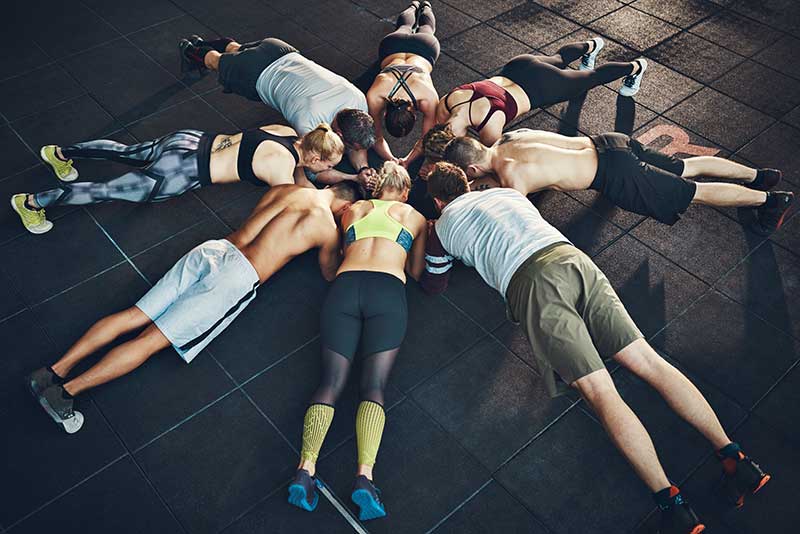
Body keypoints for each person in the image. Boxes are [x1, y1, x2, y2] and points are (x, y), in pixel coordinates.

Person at [420, 162, 771, 534]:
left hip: (532, 284)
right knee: (649, 362)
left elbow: (433, 284)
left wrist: (426, 236)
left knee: (601, 393)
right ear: (469, 183)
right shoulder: (505, 193)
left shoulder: (442, 227)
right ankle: (736, 459)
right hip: (574, 260)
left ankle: (674, 507)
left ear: (439, 201)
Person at [25, 182, 365, 433]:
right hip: (236, 278)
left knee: (133, 316)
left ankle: (53, 372)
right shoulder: (327, 227)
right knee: (148, 342)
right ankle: (65, 394)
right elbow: (331, 273)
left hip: (214, 249)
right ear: (345, 206)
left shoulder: (291, 187)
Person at [287, 162, 427, 521]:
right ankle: (364, 478)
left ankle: (305, 470)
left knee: (330, 383)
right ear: (406, 192)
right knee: (374, 387)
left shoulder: (353, 211)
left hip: (345, 289)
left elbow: (332, 261)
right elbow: (414, 272)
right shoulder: (414, 216)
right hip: (387, 293)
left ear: (376, 190)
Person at [441, 129, 793, 235]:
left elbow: (509, 219)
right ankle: (758, 176)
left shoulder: (510, 178)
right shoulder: (511, 137)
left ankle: (769, 201)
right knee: (685, 169)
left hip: (615, 173)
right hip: (610, 142)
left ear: (472, 171)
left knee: (692, 194)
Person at [11, 124, 345, 234]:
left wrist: (338, 176)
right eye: (325, 165)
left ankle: (61, 153)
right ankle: (32, 203)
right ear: (315, 157)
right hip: (182, 172)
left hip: (188, 140)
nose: (322, 170)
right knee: (107, 191)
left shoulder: (286, 133)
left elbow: (300, 173)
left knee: (126, 152)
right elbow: (291, 202)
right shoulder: (280, 171)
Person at [179, 34, 376, 186]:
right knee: (215, 61)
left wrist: (364, 168)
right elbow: (309, 167)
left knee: (237, 50)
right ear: (339, 134)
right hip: (255, 73)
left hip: (280, 49)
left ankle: (215, 44)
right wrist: (353, 178)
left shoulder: (357, 100)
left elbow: (358, 146)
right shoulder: (309, 122)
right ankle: (190, 49)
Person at [434, 38, 647, 147]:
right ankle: (591, 45)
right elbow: (427, 138)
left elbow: (492, 160)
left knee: (591, 79)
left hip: (543, 86)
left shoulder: (489, 128)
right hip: (519, 66)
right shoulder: (448, 102)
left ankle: (636, 67)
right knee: (558, 58)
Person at [367, 1, 440, 166]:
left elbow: (376, 138)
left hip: (424, 49)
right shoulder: (376, 95)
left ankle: (418, 6)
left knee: (427, 30)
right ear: (386, 113)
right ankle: (422, 5)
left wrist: (396, 159)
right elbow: (426, 139)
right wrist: (405, 160)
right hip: (393, 46)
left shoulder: (427, 98)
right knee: (405, 27)